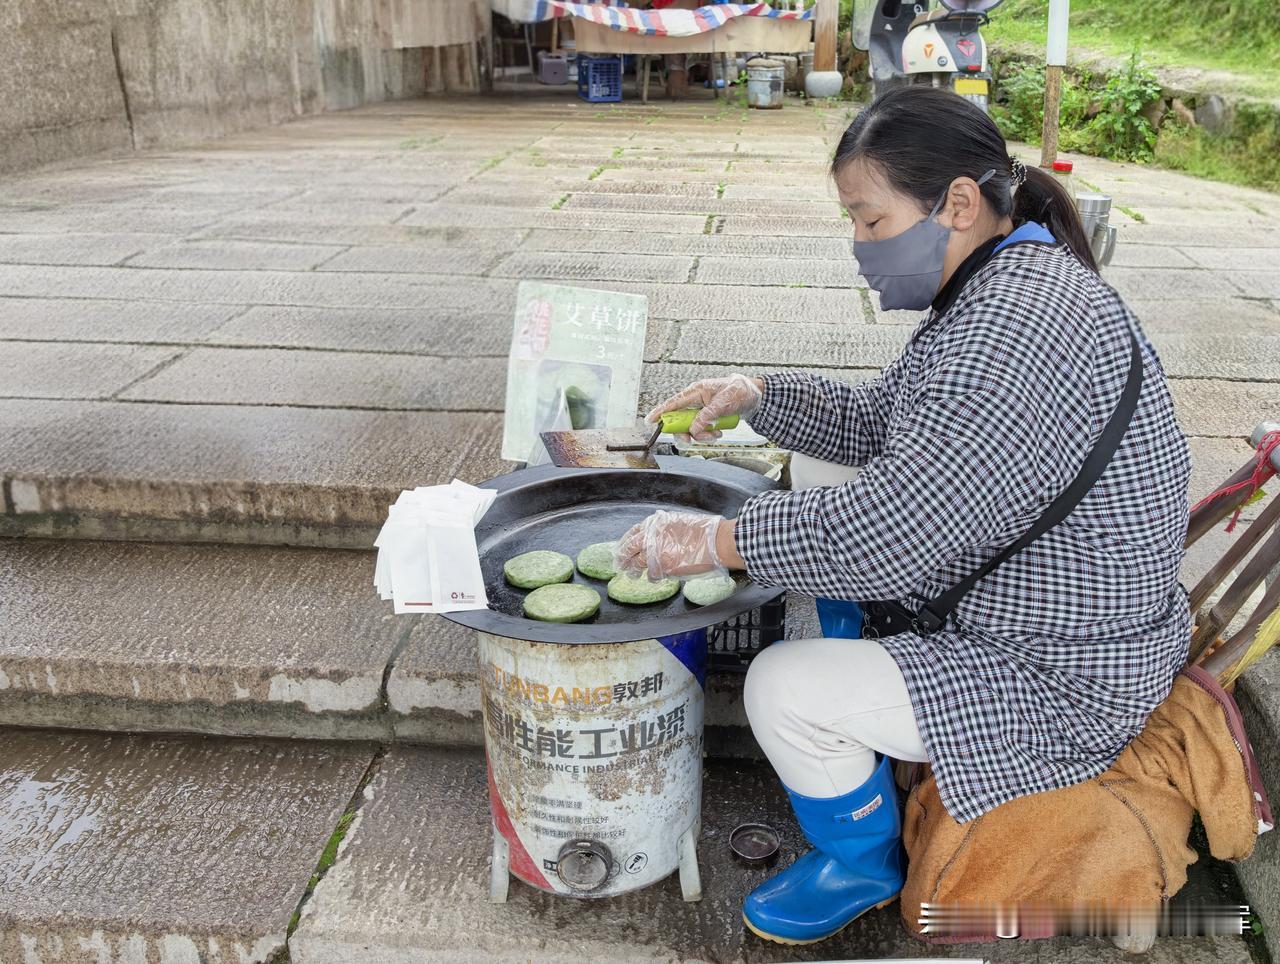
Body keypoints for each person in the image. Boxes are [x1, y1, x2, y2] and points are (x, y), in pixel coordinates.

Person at [615, 86, 1191, 945]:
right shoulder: (1004, 281)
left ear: (957, 203)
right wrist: (760, 395)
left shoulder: (1012, 331)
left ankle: (861, 862)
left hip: (1057, 665)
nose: (859, 245)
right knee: (821, 470)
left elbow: (893, 534)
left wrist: (715, 540)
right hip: (1033, 591)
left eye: (871, 220)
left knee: (781, 687)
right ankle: (863, 663)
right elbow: (881, 424)